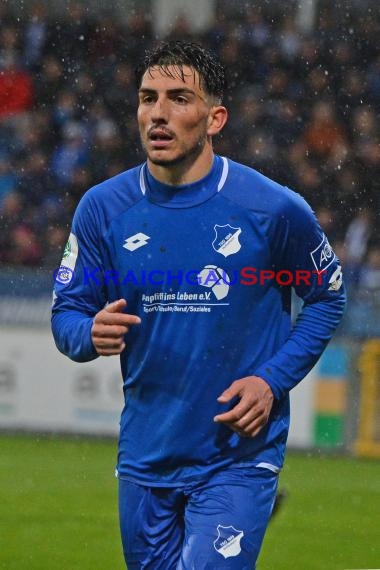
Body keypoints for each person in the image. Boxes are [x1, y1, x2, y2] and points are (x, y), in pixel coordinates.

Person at [51, 41, 346, 569]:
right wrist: (86, 333)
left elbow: (327, 296)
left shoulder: (272, 209)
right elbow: (66, 313)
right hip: (145, 458)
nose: (158, 113)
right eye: (148, 98)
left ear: (215, 118)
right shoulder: (103, 209)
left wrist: (270, 380)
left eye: (179, 98)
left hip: (237, 456)